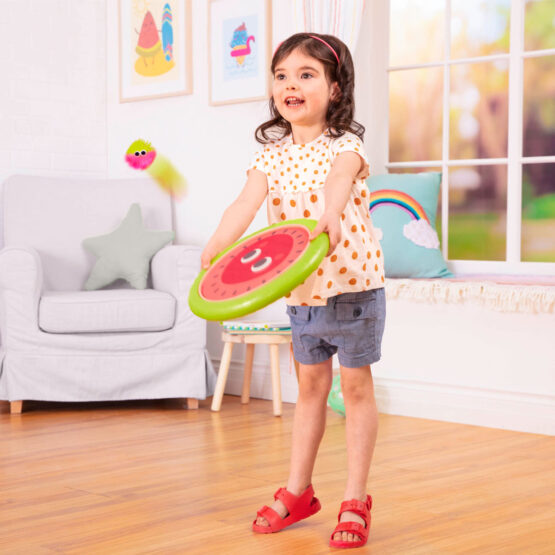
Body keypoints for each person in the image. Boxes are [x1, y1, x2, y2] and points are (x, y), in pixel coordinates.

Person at [201, 32, 386, 549]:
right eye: (282, 75)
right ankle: (299, 490)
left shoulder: (346, 146)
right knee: (309, 390)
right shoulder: (271, 156)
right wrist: (217, 245)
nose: (291, 85)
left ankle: (355, 498)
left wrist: (331, 211)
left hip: (352, 288)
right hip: (302, 292)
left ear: (335, 88)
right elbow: (244, 204)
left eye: (306, 75)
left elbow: (339, 181)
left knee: (355, 389)